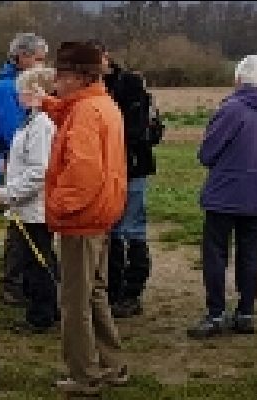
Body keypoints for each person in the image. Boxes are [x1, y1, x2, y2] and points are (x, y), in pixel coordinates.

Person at [43, 41, 130, 396]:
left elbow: (84, 171)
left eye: (61, 76)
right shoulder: (101, 104)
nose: (56, 83)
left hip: (81, 219)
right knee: (95, 293)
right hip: (100, 215)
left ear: (79, 77)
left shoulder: (85, 113)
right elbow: (70, 115)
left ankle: (83, 373)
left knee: (75, 301)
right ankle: (112, 363)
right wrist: (47, 104)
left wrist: (57, 207)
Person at [187, 55, 257, 339]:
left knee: (215, 254)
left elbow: (207, 153)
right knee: (250, 254)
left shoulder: (231, 110)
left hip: (225, 194)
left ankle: (216, 313)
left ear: (239, 78)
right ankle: (245, 312)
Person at [0, 66, 61, 334]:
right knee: (34, 259)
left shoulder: (42, 125)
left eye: (25, 89)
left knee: (38, 261)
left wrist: (6, 194)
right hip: (24, 206)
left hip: (35, 208)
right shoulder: (30, 121)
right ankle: (45, 308)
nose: (19, 94)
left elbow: (39, 171)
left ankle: (42, 315)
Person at [0, 33, 50, 305]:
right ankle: (13, 285)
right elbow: (11, 130)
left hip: (22, 172)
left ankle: (25, 285)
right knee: (19, 230)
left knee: (25, 232)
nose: (41, 64)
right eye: (38, 59)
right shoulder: (6, 88)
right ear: (22, 57)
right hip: (14, 168)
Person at [104, 53, 166, 319]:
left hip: (132, 168)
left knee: (128, 230)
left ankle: (129, 292)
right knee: (118, 230)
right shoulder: (119, 86)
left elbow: (140, 133)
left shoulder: (130, 87)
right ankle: (114, 289)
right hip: (121, 168)